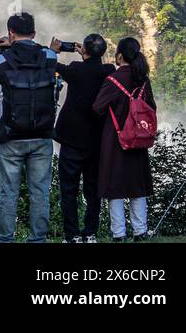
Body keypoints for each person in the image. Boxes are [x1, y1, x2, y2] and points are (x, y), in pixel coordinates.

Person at [0, 12, 59, 243]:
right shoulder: (48, 55)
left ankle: (4, 238)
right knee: (40, 192)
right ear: (34, 33)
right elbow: (55, 87)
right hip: (42, 134)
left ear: (10, 32)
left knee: (8, 191)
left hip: (10, 134)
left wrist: (4, 51)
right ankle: (38, 239)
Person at [93, 37, 157, 242]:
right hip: (139, 139)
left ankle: (118, 233)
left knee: (115, 187)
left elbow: (97, 108)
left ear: (119, 55)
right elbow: (152, 107)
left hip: (116, 139)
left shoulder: (113, 80)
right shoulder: (143, 79)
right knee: (137, 185)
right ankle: (141, 230)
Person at [51, 33, 113, 243]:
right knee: (92, 189)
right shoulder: (108, 71)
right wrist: (87, 53)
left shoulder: (76, 70)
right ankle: (90, 232)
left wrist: (53, 50)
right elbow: (96, 66)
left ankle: (72, 234)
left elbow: (53, 66)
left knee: (68, 189)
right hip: (96, 140)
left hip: (72, 139)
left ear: (84, 50)